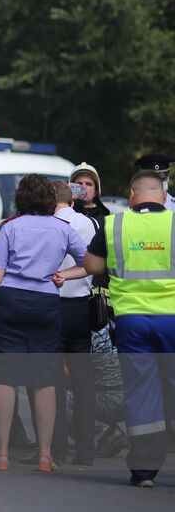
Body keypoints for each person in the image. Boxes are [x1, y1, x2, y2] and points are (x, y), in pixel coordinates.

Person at [57, 171, 175, 487]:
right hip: (173, 321)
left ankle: (144, 471)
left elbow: (92, 266)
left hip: (133, 322)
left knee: (141, 392)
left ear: (131, 195)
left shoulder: (114, 225)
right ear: (163, 196)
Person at [0, 173, 87, 473]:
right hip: (45, 303)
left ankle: (1, 454)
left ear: (20, 198)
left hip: (9, 300)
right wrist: (65, 276)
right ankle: (45, 454)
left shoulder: (10, 228)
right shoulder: (62, 229)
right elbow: (90, 263)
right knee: (45, 378)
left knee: (5, 376)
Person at [52, 180, 98, 465]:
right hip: (81, 306)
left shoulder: (44, 223)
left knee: (53, 379)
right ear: (72, 200)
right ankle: (86, 448)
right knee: (83, 381)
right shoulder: (90, 224)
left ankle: (56, 446)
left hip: (52, 306)